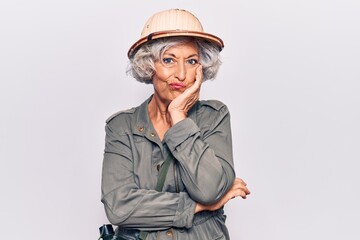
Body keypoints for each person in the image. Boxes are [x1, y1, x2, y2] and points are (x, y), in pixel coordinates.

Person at [101, 8, 250, 240]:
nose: (181, 74)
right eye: (169, 60)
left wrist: (178, 115)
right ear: (149, 66)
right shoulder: (121, 126)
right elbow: (118, 208)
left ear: (201, 69)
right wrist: (197, 207)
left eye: (191, 61)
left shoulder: (214, 116)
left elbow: (209, 190)